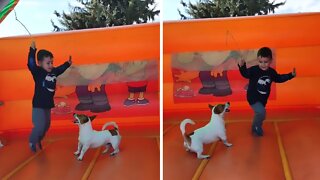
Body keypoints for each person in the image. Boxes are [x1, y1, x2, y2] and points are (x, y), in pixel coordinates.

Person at [238, 47, 296, 136]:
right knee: (261, 113)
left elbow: (279, 78)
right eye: (260, 62)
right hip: (253, 97)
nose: (263, 64)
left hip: (263, 99)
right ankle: (257, 126)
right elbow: (245, 73)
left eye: (266, 62)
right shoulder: (254, 70)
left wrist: (290, 75)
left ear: (270, 61)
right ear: (257, 60)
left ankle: (254, 127)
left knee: (260, 113)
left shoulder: (271, 72)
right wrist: (242, 66)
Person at [28, 41, 72, 152]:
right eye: (48, 63)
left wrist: (68, 63)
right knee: (40, 126)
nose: (51, 65)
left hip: (47, 105)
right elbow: (31, 63)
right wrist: (32, 50)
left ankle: (38, 139)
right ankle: (32, 141)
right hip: (38, 105)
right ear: (40, 63)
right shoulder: (37, 72)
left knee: (46, 126)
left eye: (52, 62)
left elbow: (60, 69)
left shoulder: (54, 71)